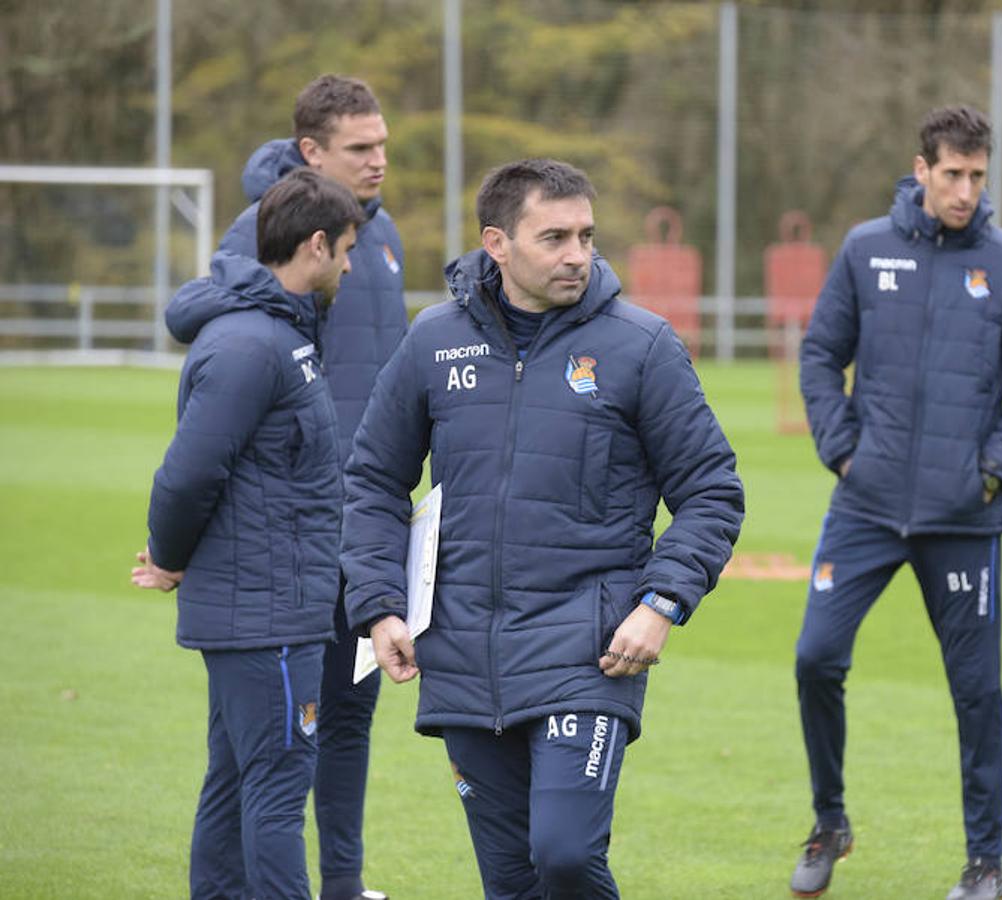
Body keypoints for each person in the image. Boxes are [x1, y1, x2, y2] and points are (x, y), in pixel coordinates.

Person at [340, 158, 744, 899]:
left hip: (587, 654)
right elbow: (370, 478)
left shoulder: (641, 346)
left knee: (562, 854)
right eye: (554, 237)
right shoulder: (434, 341)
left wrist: (661, 605)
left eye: (586, 235)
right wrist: (377, 604)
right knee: (512, 882)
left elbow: (713, 490)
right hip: (461, 654)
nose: (577, 255)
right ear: (497, 243)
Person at [790, 106, 1002, 900]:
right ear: (922, 170)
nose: (966, 191)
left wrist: (995, 471)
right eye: (952, 174)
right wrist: (844, 451)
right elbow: (820, 355)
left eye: (979, 176)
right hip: (866, 507)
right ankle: (829, 821)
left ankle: (985, 861)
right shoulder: (864, 249)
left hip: (963, 518)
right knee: (815, 658)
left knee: (976, 693)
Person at [131, 168, 365, 899]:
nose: (352, 266)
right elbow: (186, 475)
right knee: (274, 789)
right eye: (348, 250)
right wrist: (169, 560)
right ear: (316, 246)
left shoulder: (282, 335)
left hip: (273, 603)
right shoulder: (249, 347)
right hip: (265, 615)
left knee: (236, 778)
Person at [218, 73, 407, 900]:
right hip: (295, 531)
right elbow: (224, 359)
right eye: (360, 148)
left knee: (354, 714)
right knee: (266, 738)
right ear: (311, 151)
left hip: (373, 522)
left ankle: (344, 884)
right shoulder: (255, 234)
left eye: (383, 145)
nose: (379, 161)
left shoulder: (382, 232)